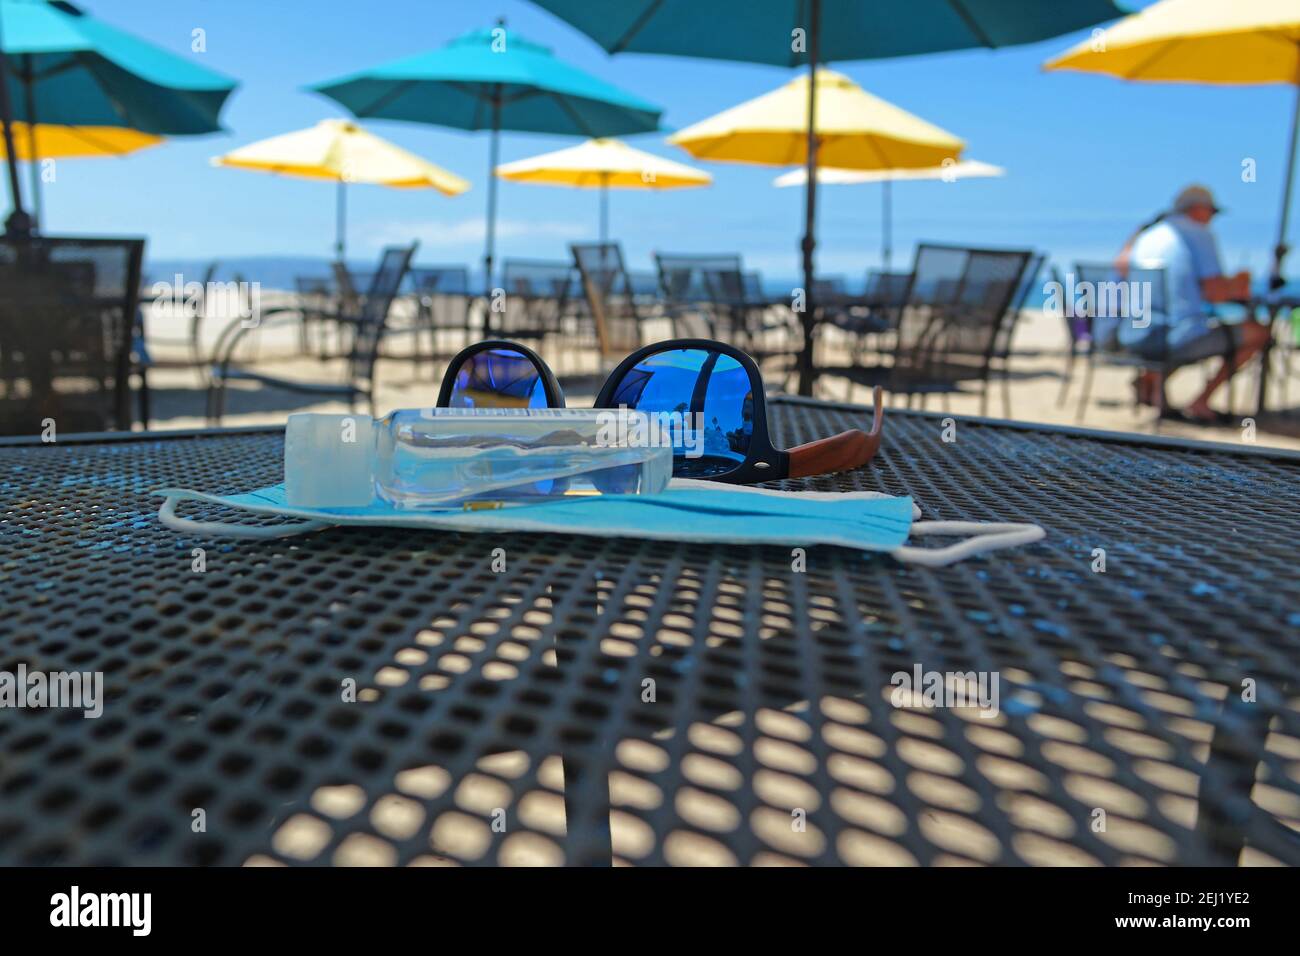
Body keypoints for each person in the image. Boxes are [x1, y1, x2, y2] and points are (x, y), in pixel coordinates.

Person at [1113, 184, 1269, 422]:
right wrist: (1238, 283)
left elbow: (1121, 268)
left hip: (1135, 335)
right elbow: (1214, 292)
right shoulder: (1198, 234)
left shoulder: (1148, 235)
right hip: (1173, 339)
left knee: (1187, 324)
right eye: (1212, 213)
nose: (1212, 220)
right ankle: (1201, 402)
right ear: (1198, 209)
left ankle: (1151, 380)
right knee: (1258, 332)